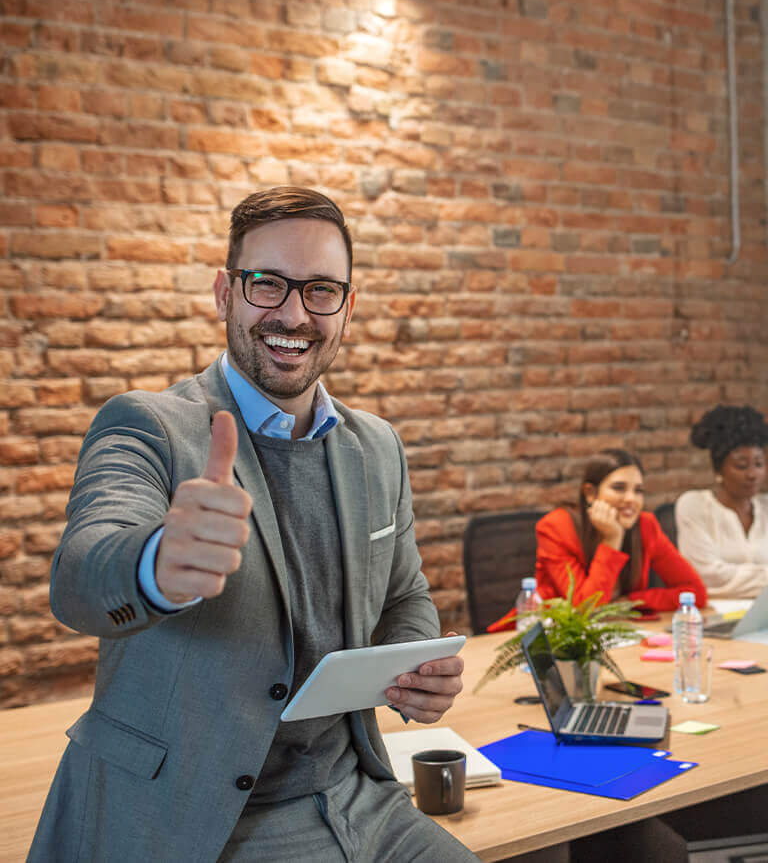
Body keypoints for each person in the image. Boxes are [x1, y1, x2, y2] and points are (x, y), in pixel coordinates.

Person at [29, 187, 478, 863]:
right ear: (224, 294)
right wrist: (157, 563)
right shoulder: (146, 425)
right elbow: (82, 573)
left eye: (322, 290)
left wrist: (416, 666)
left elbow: (404, 595)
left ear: (348, 309)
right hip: (200, 816)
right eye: (267, 284)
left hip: (359, 799)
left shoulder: (377, 446)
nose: (294, 314)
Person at [533, 448, 707, 612]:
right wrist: (612, 540)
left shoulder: (646, 526)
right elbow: (585, 609)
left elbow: (695, 593)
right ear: (590, 494)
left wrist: (631, 602)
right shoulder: (557, 527)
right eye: (619, 488)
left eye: (638, 491)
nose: (631, 499)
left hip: (619, 633)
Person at [675, 404, 768, 597]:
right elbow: (705, 576)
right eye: (741, 465)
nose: (752, 474)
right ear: (718, 469)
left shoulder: (765, 506)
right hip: (714, 616)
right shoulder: (694, 506)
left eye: (759, 464)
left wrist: (735, 578)